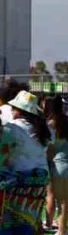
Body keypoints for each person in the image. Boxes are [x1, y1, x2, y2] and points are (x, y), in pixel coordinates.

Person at [4, 90, 51, 233]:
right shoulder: (43, 128)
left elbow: (5, 154)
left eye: (14, 108)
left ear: (20, 110)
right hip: (41, 178)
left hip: (21, 178)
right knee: (33, 216)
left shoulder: (12, 127)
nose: (11, 110)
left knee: (16, 220)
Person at [46, 95, 68, 235]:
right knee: (64, 201)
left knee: (57, 198)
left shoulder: (51, 123)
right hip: (66, 163)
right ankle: (61, 229)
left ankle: (60, 230)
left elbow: (50, 148)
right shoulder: (66, 120)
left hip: (57, 165)